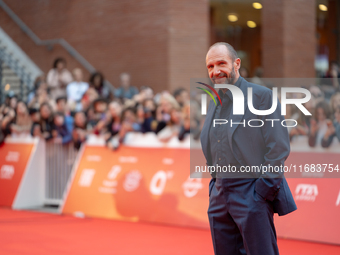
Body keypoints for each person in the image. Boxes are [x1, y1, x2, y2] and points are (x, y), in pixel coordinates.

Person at [200, 42, 296, 255]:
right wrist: (215, 186)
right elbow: (213, 144)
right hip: (219, 195)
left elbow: (278, 148)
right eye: (210, 66)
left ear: (236, 64)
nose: (216, 71)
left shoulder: (262, 96)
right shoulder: (213, 101)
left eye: (221, 63)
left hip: (251, 193)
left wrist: (260, 193)